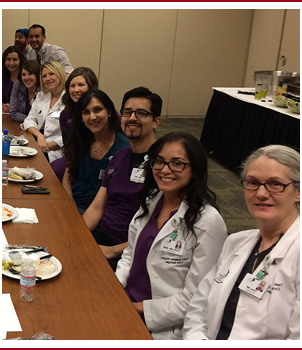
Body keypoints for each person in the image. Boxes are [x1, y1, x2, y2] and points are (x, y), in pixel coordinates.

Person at [115, 132, 228, 340]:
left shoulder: (208, 222)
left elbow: (197, 297)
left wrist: (138, 309)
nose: (165, 170)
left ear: (194, 169)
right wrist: (115, 286)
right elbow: (130, 252)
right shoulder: (152, 199)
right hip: (126, 302)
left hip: (163, 324)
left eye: (177, 163)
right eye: (159, 162)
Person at [183, 144, 300, 340]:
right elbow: (199, 307)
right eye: (252, 182)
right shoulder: (235, 242)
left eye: (275, 184)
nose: (261, 193)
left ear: (298, 192)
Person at [83, 86, 162, 271]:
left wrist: (112, 251)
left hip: (131, 252)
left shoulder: (163, 166)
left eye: (141, 113)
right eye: (128, 112)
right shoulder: (119, 157)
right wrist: (78, 237)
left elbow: (159, 230)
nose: (132, 118)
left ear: (156, 122)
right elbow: (97, 207)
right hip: (101, 237)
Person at [62, 89, 129, 213]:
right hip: (71, 204)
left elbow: (109, 200)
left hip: (98, 213)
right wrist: (69, 208)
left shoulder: (122, 148)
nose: (92, 117)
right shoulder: (81, 140)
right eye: (86, 112)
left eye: (98, 109)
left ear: (109, 111)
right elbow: (67, 179)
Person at [21, 61, 66, 164]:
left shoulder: (69, 99)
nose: (47, 78)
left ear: (60, 74)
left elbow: (71, 134)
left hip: (57, 149)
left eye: (51, 74)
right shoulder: (41, 95)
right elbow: (29, 120)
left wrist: (45, 145)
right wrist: (39, 136)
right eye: (44, 76)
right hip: (38, 140)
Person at [60, 67, 98, 146]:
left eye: (81, 85)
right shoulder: (65, 114)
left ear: (91, 87)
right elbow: (68, 147)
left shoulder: (103, 110)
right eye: (72, 86)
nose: (76, 90)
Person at [2, 46, 26, 113]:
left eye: (15, 59)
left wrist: (13, 107)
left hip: (21, 115)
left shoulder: (26, 79)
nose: (11, 63)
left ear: (20, 61)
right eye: (8, 59)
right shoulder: (3, 78)